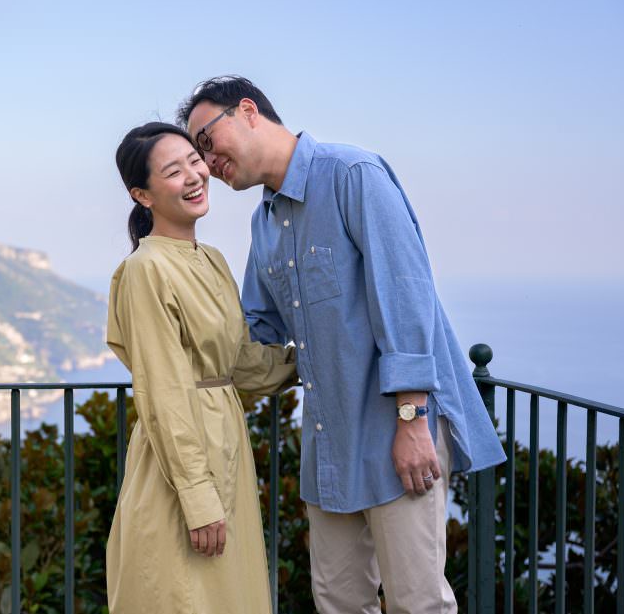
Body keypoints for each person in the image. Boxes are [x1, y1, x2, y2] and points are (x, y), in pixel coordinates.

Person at [177, 76, 506, 614]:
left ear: (247, 111)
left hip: (397, 425)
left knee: (417, 603)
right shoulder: (265, 223)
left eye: (207, 142)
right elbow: (256, 331)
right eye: (195, 154)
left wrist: (411, 419)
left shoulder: (353, 174)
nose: (205, 162)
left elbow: (405, 297)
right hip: (329, 439)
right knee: (337, 601)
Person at [105, 121, 299, 614]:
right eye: (174, 171)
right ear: (142, 194)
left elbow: (242, 364)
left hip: (225, 449)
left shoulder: (210, 259)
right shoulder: (145, 269)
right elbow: (164, 390)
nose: (194, 175)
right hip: (181, 465)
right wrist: (197, 497)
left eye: (196, 161)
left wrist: (319, 360)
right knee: (182, 596)